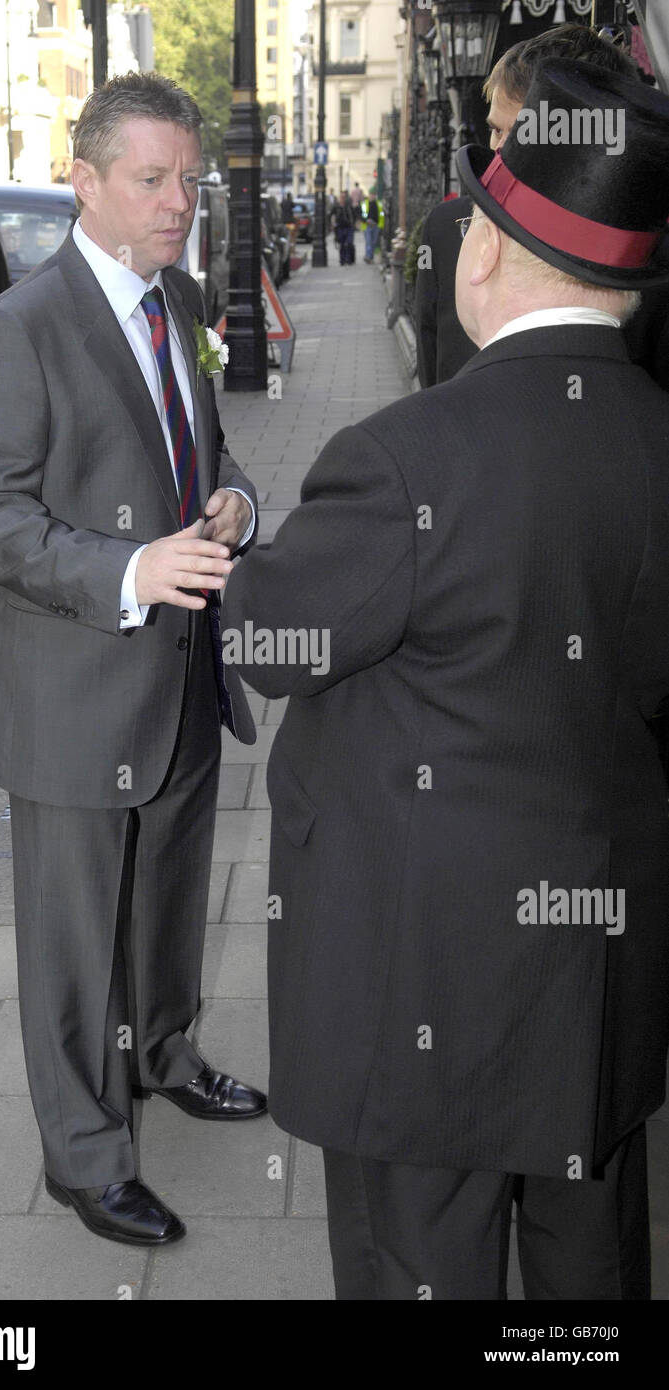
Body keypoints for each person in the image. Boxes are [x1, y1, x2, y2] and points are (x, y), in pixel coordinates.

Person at [224, 58, 669, 1299]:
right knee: (589, 1258)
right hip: (598, 956)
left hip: (427, 972)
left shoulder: (404, 459)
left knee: (417, 1257)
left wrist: (238, 561)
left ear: (480, 251)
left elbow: (272, 641)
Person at [0, 72, 266, 1250]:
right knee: (74, 948)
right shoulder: (16, 328)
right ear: (85, 182)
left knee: (170, 900)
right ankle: (84, 1157)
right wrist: (130, 574)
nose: (180, 199)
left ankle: (167, 1053)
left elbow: (205, 451)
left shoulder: (176, 301)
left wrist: (229, 500)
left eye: (190, 177)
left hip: (180, 678)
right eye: (152, 178)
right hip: (79, 691)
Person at [414, 23, 669, 392]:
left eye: (517, 136)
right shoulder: (445, 228)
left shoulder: (645, 258)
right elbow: (431, 374)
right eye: (495, 131)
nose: (499, 152)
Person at [335, 190, 355, 266]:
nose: (342, 199)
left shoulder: (349, 206)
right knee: (342, 244)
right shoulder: (337, 206)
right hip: (340, 228)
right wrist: (333, 223)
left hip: (349, 227)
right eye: (341, 197)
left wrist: (353, 223)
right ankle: (342, 260)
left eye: (344, 197)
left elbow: (354, 214)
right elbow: (331, 214)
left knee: (349, 243)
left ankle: (349, 259)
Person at [364, 188, 380, 263]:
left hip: (376, 225)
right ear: (369, 195)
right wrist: (366, 220)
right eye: (371, 194)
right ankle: (368, 256)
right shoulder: (365, 204)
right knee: (368, 241)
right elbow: (362, 214)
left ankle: (371, 256)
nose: (372, 196)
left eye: (373, 194)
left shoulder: (378, 204)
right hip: (367, 226)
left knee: (373, 242)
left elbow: (381, 215)